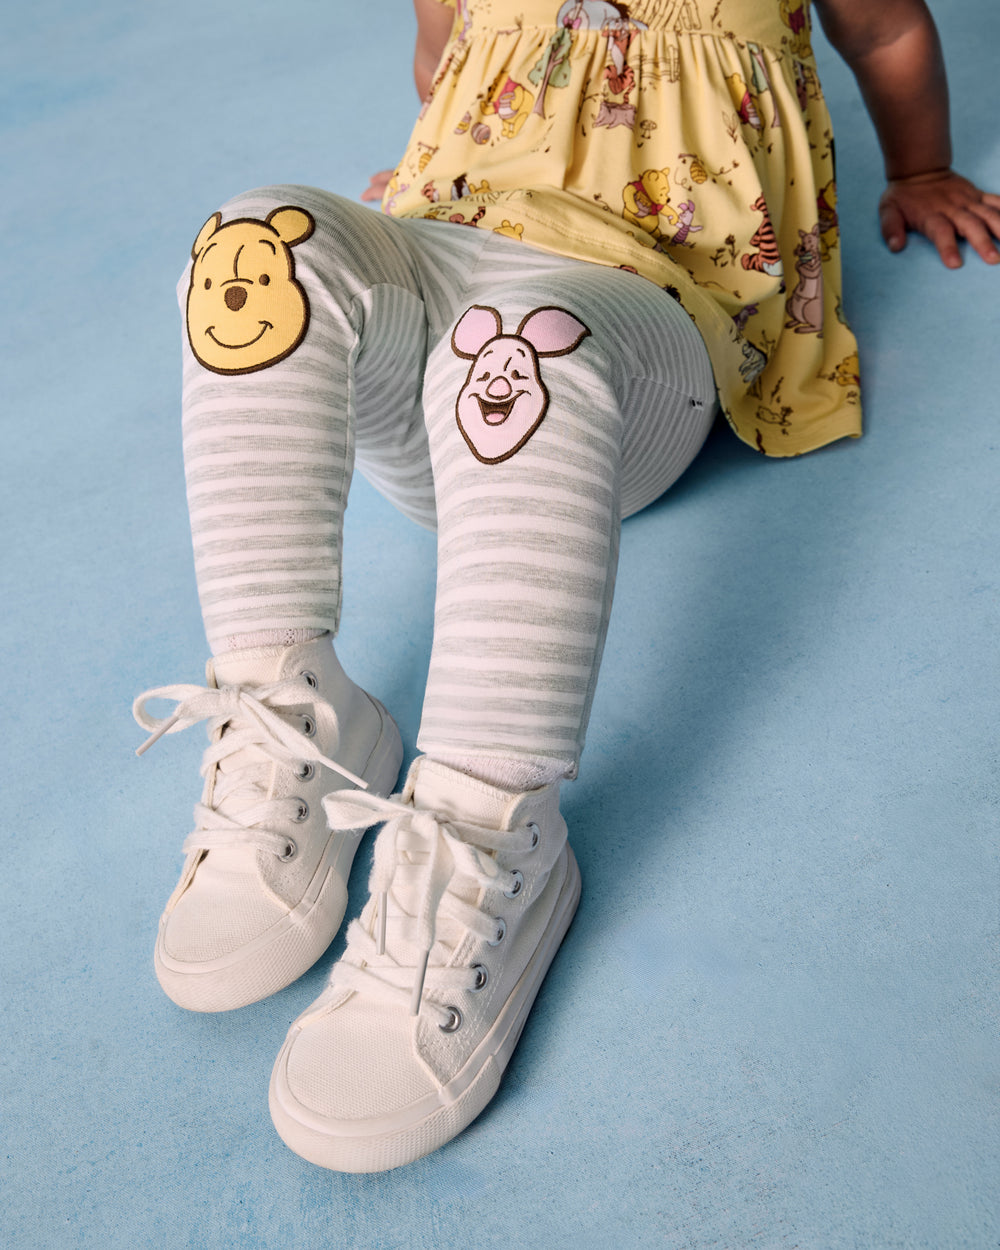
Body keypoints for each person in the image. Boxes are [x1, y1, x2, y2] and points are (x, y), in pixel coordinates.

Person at [133, 0, 999, 1173]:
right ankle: (290, 707)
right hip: (449, 244)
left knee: (515, 339)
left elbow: (886, 30)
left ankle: (488, 837)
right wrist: (441, 164)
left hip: (635, 319)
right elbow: (445, 47)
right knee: (255, 242)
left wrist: (925, 165)